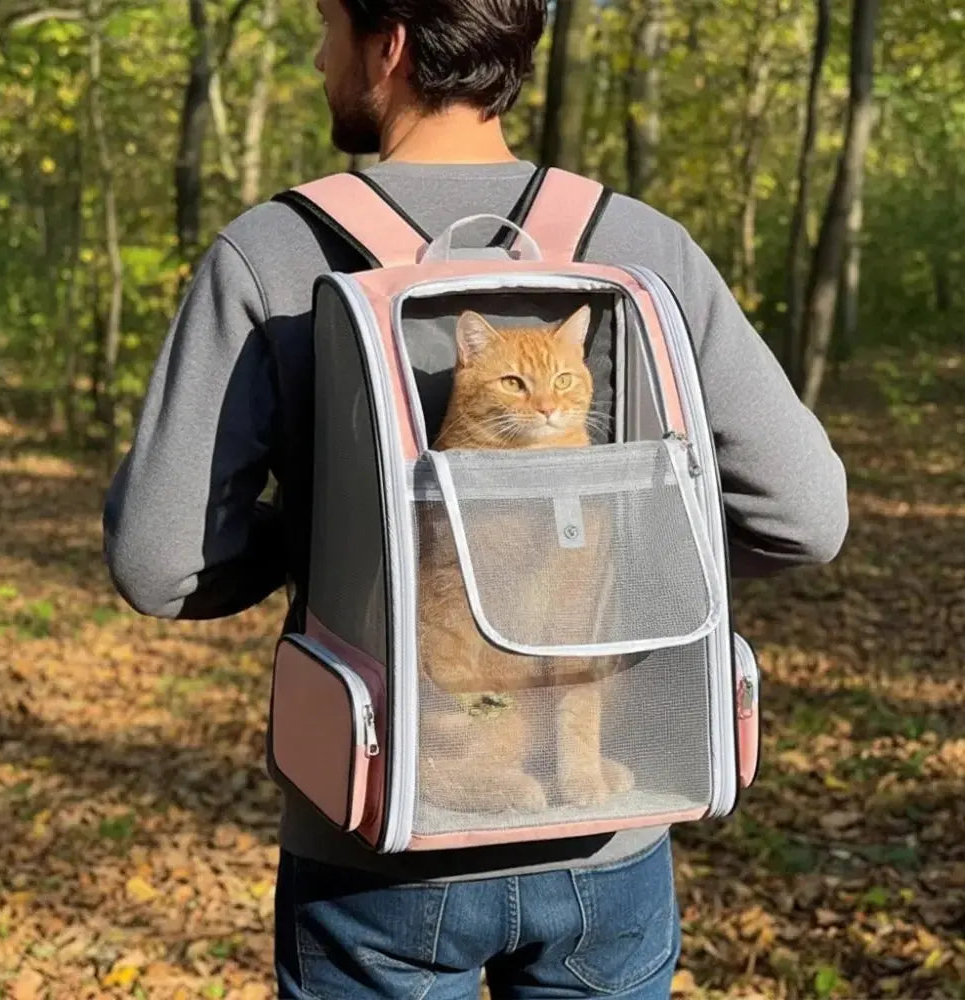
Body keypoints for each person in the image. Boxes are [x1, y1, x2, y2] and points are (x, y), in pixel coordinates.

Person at [102, 0, 849, 996]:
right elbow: (804, 514)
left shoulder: (273, 253)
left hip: (379, 837)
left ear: (390, 45)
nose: (319, 56)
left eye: (326, 27)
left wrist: (326, 538)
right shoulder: (635, 242)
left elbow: (157, 560)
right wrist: (630, 547)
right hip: (606, 838)